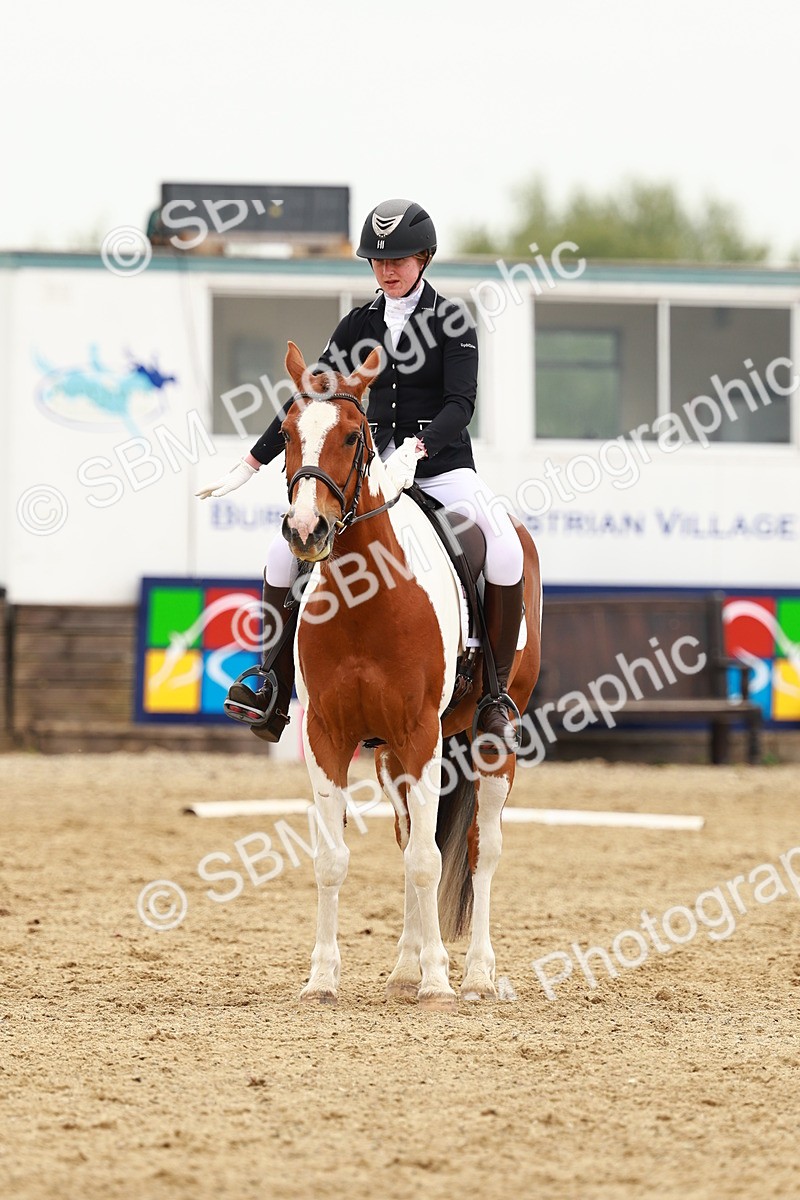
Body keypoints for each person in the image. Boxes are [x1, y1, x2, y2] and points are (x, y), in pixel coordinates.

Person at [196, 198, 524, 748]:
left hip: (439, 468)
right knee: (283, 552)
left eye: (398, 259)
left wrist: (415, 449)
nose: (387, 270)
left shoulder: (452, 321)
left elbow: (460, 405)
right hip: (365, 476)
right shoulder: (356, 324)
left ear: (424, 259)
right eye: (378, 260)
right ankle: (269, 684)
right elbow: (314, 400)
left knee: (506, 545)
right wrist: (253, 461)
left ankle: (494, 695)